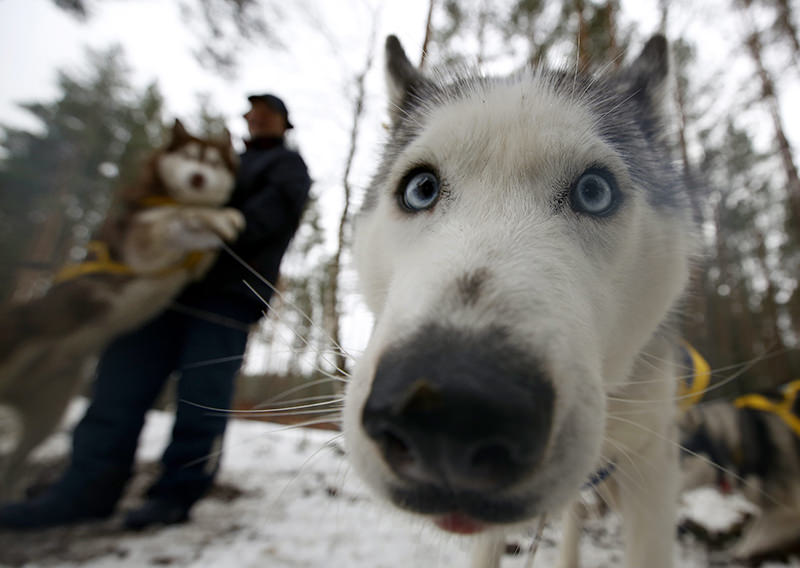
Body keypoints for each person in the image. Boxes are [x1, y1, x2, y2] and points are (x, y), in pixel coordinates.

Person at [0, 94, 311, 530]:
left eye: (267, 114)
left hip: (226, 296)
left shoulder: (286, 166)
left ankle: (176, 496)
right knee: (118, 385)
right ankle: (85, 489)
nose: (256, 119)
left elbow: (270, 215)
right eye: (251, 113)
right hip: (158, 291)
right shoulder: (223, 160)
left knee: (202, 398)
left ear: (282, 122)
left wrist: (212, 233)